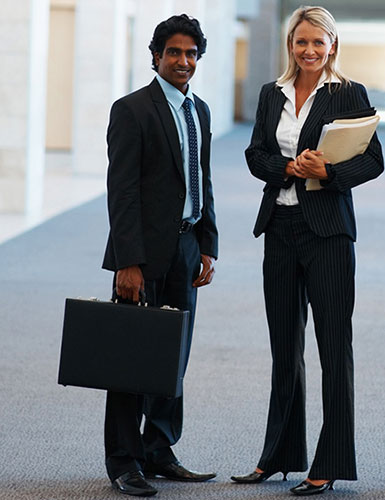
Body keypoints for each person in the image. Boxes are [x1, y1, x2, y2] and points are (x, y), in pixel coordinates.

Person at [233, 6, 383, 496]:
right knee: (285, 347)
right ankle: (278, 455)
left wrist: (325, 172)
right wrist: (286, 169)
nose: (310, 51)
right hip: (279, 224)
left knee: (333, 347)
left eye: (319, 43)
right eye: (301, 43)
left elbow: (373, 160)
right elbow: (255, 153)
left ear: (333, 45)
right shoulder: (269, 93)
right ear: (290, 45)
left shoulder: (348, 93)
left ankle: (330, 461)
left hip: (329, 232)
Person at [101, 14, 219, 497]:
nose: (183, 61)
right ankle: (124, 460)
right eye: (174, 52)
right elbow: (122, 191)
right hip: (143, 253)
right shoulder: (132, 110)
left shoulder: (201, 111)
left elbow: (201, 181)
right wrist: (127, 261)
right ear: (155, 56)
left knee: (174, 355)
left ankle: (159, 448)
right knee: (131, 357)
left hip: (187, 244)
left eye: (191, 53)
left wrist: (208, 244)